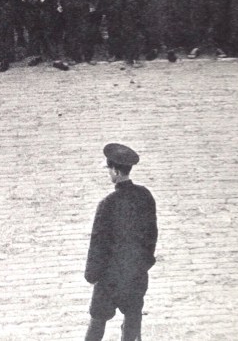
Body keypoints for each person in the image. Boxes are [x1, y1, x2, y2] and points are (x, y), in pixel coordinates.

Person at [84, 143, 157, 341]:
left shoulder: (107, 204)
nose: (109, 173)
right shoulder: (145, 196)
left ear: (116, 171)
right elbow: (152, 234)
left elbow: (98, 244)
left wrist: (92, 275)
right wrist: (144, 263)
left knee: (97, 321)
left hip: (110, 278)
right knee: (133, 318)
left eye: (109, 170)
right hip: (135, 273)